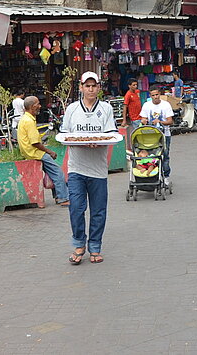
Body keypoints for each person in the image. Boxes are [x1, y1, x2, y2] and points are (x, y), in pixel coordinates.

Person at [61, 72, 116, 265]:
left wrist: (99, 142)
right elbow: (64, 134)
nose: (91, 89)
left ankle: (95, 247)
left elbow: (111, 134)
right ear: (81, 87)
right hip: (76, 167)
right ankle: (78, 244)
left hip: (98, 169)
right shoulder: (72, 109)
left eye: (94, 86)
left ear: (99, 88)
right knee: (76, 208)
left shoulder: (106, 109)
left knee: (98, 210)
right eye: (87, 85)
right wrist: (78, 141)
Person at [18, 95, 69, 206]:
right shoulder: (29, 121)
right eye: (38, 104)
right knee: (58, 172)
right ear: (32, 107)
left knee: (53, 172)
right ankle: (63, 198)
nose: (40, 106)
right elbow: (35, 143)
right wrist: (49, 151)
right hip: (34, 153)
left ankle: (57, 196)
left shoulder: (25, 119)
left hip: (29, 152)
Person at [139, 88, 174, 184]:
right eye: (153, 95)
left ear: (160, 94)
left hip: (164, 134)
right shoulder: (146, 105)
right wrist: (143, 121)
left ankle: (166, 175)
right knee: (151, 155)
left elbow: (170, 121)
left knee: (165, 155)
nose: (155, 97)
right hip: (150, 136)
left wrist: (160, 122)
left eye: (157, 95)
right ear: (150, 96)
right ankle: (153, 174)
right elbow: (143, 118)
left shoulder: (166, 105)